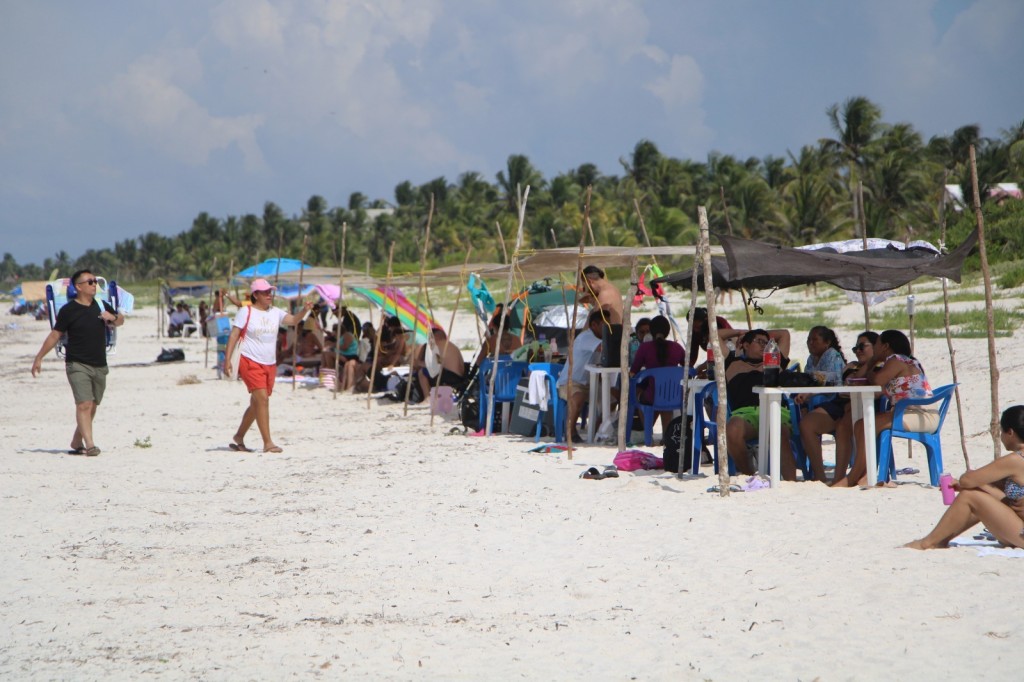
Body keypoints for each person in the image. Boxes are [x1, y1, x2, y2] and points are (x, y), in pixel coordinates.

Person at [31, 269, 125, 456]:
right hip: (77, 364)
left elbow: (121, 320)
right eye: (90, 282)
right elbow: (55, 335)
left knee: (93, 406)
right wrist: (39, 357)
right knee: (83, 404)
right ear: (78, 287)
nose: (94, 284)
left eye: (95, 281)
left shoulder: (101, 304)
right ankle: (90, 445)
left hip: (99, 363)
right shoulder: (68, 311)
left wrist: (112, 318)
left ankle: (76, 440)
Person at [905, 405, 1024, 550]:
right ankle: (940, 539)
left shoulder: (1015, 460)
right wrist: (974, 485)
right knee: (976, 493)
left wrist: (967, 482)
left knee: (969, 496)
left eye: (1001, 431)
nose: (1001, 436)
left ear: (1010, 432)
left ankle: (929, 542)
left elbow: (967, 480)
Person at [832, 329, 935, 487]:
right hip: (912, 413)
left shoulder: (896, 360)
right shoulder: (903, 360)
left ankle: (853, 477)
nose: (875, 347)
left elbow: (877, 381)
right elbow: (868, 386)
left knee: (865, 425)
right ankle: (864, 475)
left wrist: (872, 364)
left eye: (877, 344)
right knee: (861, 425)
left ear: (886, 346)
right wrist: (872, 362)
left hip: (919, 415)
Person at [223, 279, 311, 454]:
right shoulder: (245, 311)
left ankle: (239, 437)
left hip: (270, 363)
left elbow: (293, 320)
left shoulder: (275, 312)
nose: (269, 295)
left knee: (257, 403)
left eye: (270, 291)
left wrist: (304, 311)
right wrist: (227, 361)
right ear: (255, 295)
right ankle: (268, 443)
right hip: (249, 361)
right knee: (263, 400)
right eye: (265, 292)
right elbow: (233, 336)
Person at [719, 327, 796, 480]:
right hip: (745, 414)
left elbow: (784, 334)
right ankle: (750, 475)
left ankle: (790, 481)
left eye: (767, 343)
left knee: (776, 430)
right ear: (745, 345)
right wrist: (742, 332)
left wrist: (759, 335)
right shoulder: (731, 363)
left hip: (775, 410)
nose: (764, 345)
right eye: (759, 342)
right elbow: (715, 335)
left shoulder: (774, 361)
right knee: (732, 431)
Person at [792, 326, 848, 482]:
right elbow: (809, 382)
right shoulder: (811, 359)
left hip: (835, 402)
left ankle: (819, 475)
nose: (810, 343)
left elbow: (834, 385)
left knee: (806, 424)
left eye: (815, 340)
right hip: (816, 402)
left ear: (827, 342)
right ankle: (816, 473)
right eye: (808, 340)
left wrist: (810, 394)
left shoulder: (832, 356)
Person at [629, 315, 685, 440]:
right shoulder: (677, 348)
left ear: (651, 331)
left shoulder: (645, 348)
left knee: (640, 391)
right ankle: (666, 436)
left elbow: (633, 372)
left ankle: (648, 432)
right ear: (668, 332)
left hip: (652, 396)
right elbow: (688, 367)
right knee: (665, 395)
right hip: (674, 395)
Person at [556, 310, 607, 443]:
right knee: (578, 397)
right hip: (570, 382)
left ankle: (595, 430)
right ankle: (570, 432)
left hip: (589, 384)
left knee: (611, 398)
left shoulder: (599, 338)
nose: (608, 328)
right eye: (604, 325)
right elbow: (603, 348)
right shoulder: (587, 337)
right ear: (594, 325)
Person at [413, 327, 467, 402]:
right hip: (460, 378)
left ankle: (427, 397)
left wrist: (418, 363)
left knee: (422, 372)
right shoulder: (450, 345)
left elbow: (434, 365)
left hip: (450, 377)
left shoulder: (437, 345)